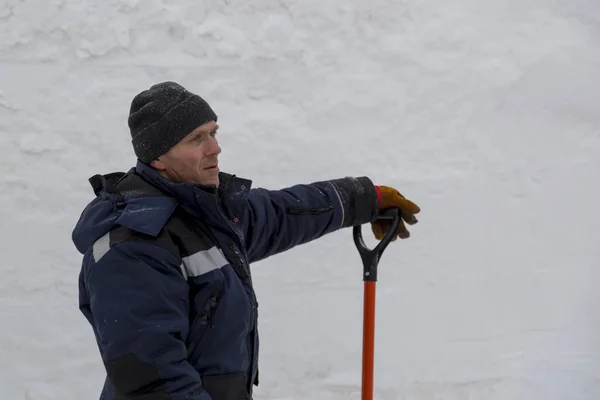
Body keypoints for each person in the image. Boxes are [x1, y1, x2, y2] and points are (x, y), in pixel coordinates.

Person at [71, 81, 421, 400]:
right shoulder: (133, 247)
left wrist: (365, 198)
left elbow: (283, 213)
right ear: (158, 157)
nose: (215, 148)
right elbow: (154, 383)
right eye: (197, 139)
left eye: (213, 132)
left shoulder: (205, 213)